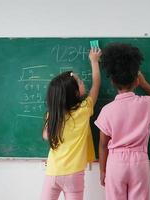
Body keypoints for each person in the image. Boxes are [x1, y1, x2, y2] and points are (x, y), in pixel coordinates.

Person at [94, 43, 150, 200]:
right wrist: (145, 84)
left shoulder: (107, 110)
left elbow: (103, 145)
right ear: (136, 80)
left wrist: (102, 170)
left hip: (116, 163)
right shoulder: (147, 103)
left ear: (112, 82)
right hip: (139, 162)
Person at [41, 48, 102, 200]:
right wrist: (94, 61)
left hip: (53, 171)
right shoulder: (84, 109)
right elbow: (96, 85)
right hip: (73, 174)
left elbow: (45, 135)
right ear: (75, 93)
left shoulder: (53, 115)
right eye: (80, 81)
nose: (82, 82)